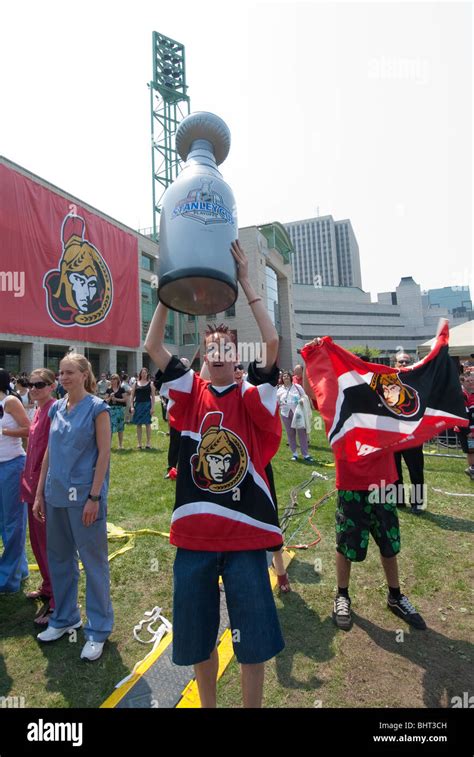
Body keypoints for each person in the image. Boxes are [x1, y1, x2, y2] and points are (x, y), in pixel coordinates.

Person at [144, 239, 285, 708]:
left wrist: (246, 282)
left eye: (227, 346)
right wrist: (167, 293)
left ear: (237, 358)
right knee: (198, 636)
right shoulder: (190, 394)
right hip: (195, 541)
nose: (219, 351)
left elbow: (271, 343)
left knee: (254, 642)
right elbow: (152, 345)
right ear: (203, 360)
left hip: (245, 542)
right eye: (211, 348)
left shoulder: (252, 397)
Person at [303, 339, 426, 633]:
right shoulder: (338, 401)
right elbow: (312, 396)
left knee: (389, 543)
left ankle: (395, 596)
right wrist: (312, 357)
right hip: (351, 483)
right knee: (346, 544)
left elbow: (414, 403)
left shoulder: (384, 399)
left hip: (384, 482)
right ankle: (342, 595)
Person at [33, 352, 113, 661]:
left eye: (69, 372)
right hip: (55, 495)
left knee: (94, 564)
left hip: (84, 499)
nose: (64, 377)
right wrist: (40, 494)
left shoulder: (97, 409)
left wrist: (94, 497)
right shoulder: (55, 408)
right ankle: (65, 617)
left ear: (83, 374)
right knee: (59, 560)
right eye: (61, 372)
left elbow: (104, 456)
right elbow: (49, 455)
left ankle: (98, 629)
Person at [20, 369, 57, 623]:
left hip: (43, 488)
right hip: (30, 485)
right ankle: (47, 586)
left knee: (49, 545)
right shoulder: (38, 410)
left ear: (52, 386)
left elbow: (53, 452)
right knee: (36, 542)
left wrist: (42, 490)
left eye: (39, 385)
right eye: (30, 385)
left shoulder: (54, 410)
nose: (33, 389)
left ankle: (57, 598)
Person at [0, 370, 30, 593]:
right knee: (4, 522)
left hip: (12, 465)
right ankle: (19, 569)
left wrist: (4, 430)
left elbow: (28, 429)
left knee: (13, 522)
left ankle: (8, 580)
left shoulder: (10, 400)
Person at [392, 352, 425, 514]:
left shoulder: (419, 382)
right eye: (401, 362)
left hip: (413, 435)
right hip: (393, 435)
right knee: (394, 469)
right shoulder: (387, 381)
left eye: (406, 362)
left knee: (416, 470)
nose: (403, 365)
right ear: (395, 364)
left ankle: (418, 502)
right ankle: (398, 501)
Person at [277, 370, 314, 462]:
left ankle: (305, 454)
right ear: (282, 379)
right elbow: (277, 401)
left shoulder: (297, 387)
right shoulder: (279, 389)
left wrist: (302, 400)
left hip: (297, 412)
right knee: (290, 433)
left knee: (302, 432)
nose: (285, 377)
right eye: (284, 376)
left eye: (287, 376)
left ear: (290, 377)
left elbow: (304, 396)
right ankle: (294, 453)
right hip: (285, 413)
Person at [130, 368, 155, 450]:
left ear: (147, 374)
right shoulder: (135, 384)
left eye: (145, 373)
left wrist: (152, 407)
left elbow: (153, 397)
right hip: (138, 405)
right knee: (139, 425)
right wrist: (132, 406)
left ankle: (148, 443)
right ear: (140, 374)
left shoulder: (150, 384)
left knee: (148, 424)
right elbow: (132, 396)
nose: (144, 374)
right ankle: (139, 443)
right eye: (142, 373)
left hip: (147, 405)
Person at [105, 374, 128, 450]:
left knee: (120, 428)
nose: (113, 381)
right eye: (111, 379)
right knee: (109, 428)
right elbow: (105, 401)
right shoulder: (108, 390)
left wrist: (116, 399)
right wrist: (110, 397)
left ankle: (120, 445)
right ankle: (109, 445)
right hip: (111, 410)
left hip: (120, 409)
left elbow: (125, 400)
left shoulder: (122, 389)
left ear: (118, 380)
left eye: (114, 379)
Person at [460, 372, 474, 480]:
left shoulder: (472, 394)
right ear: (462, 382)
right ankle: (472, 471)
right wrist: (467, 431)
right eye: (468, 381)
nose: (471, 382)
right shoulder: (461, 395)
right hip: (466, 429)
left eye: (472, 380)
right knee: (471, 450)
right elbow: (462, 414)